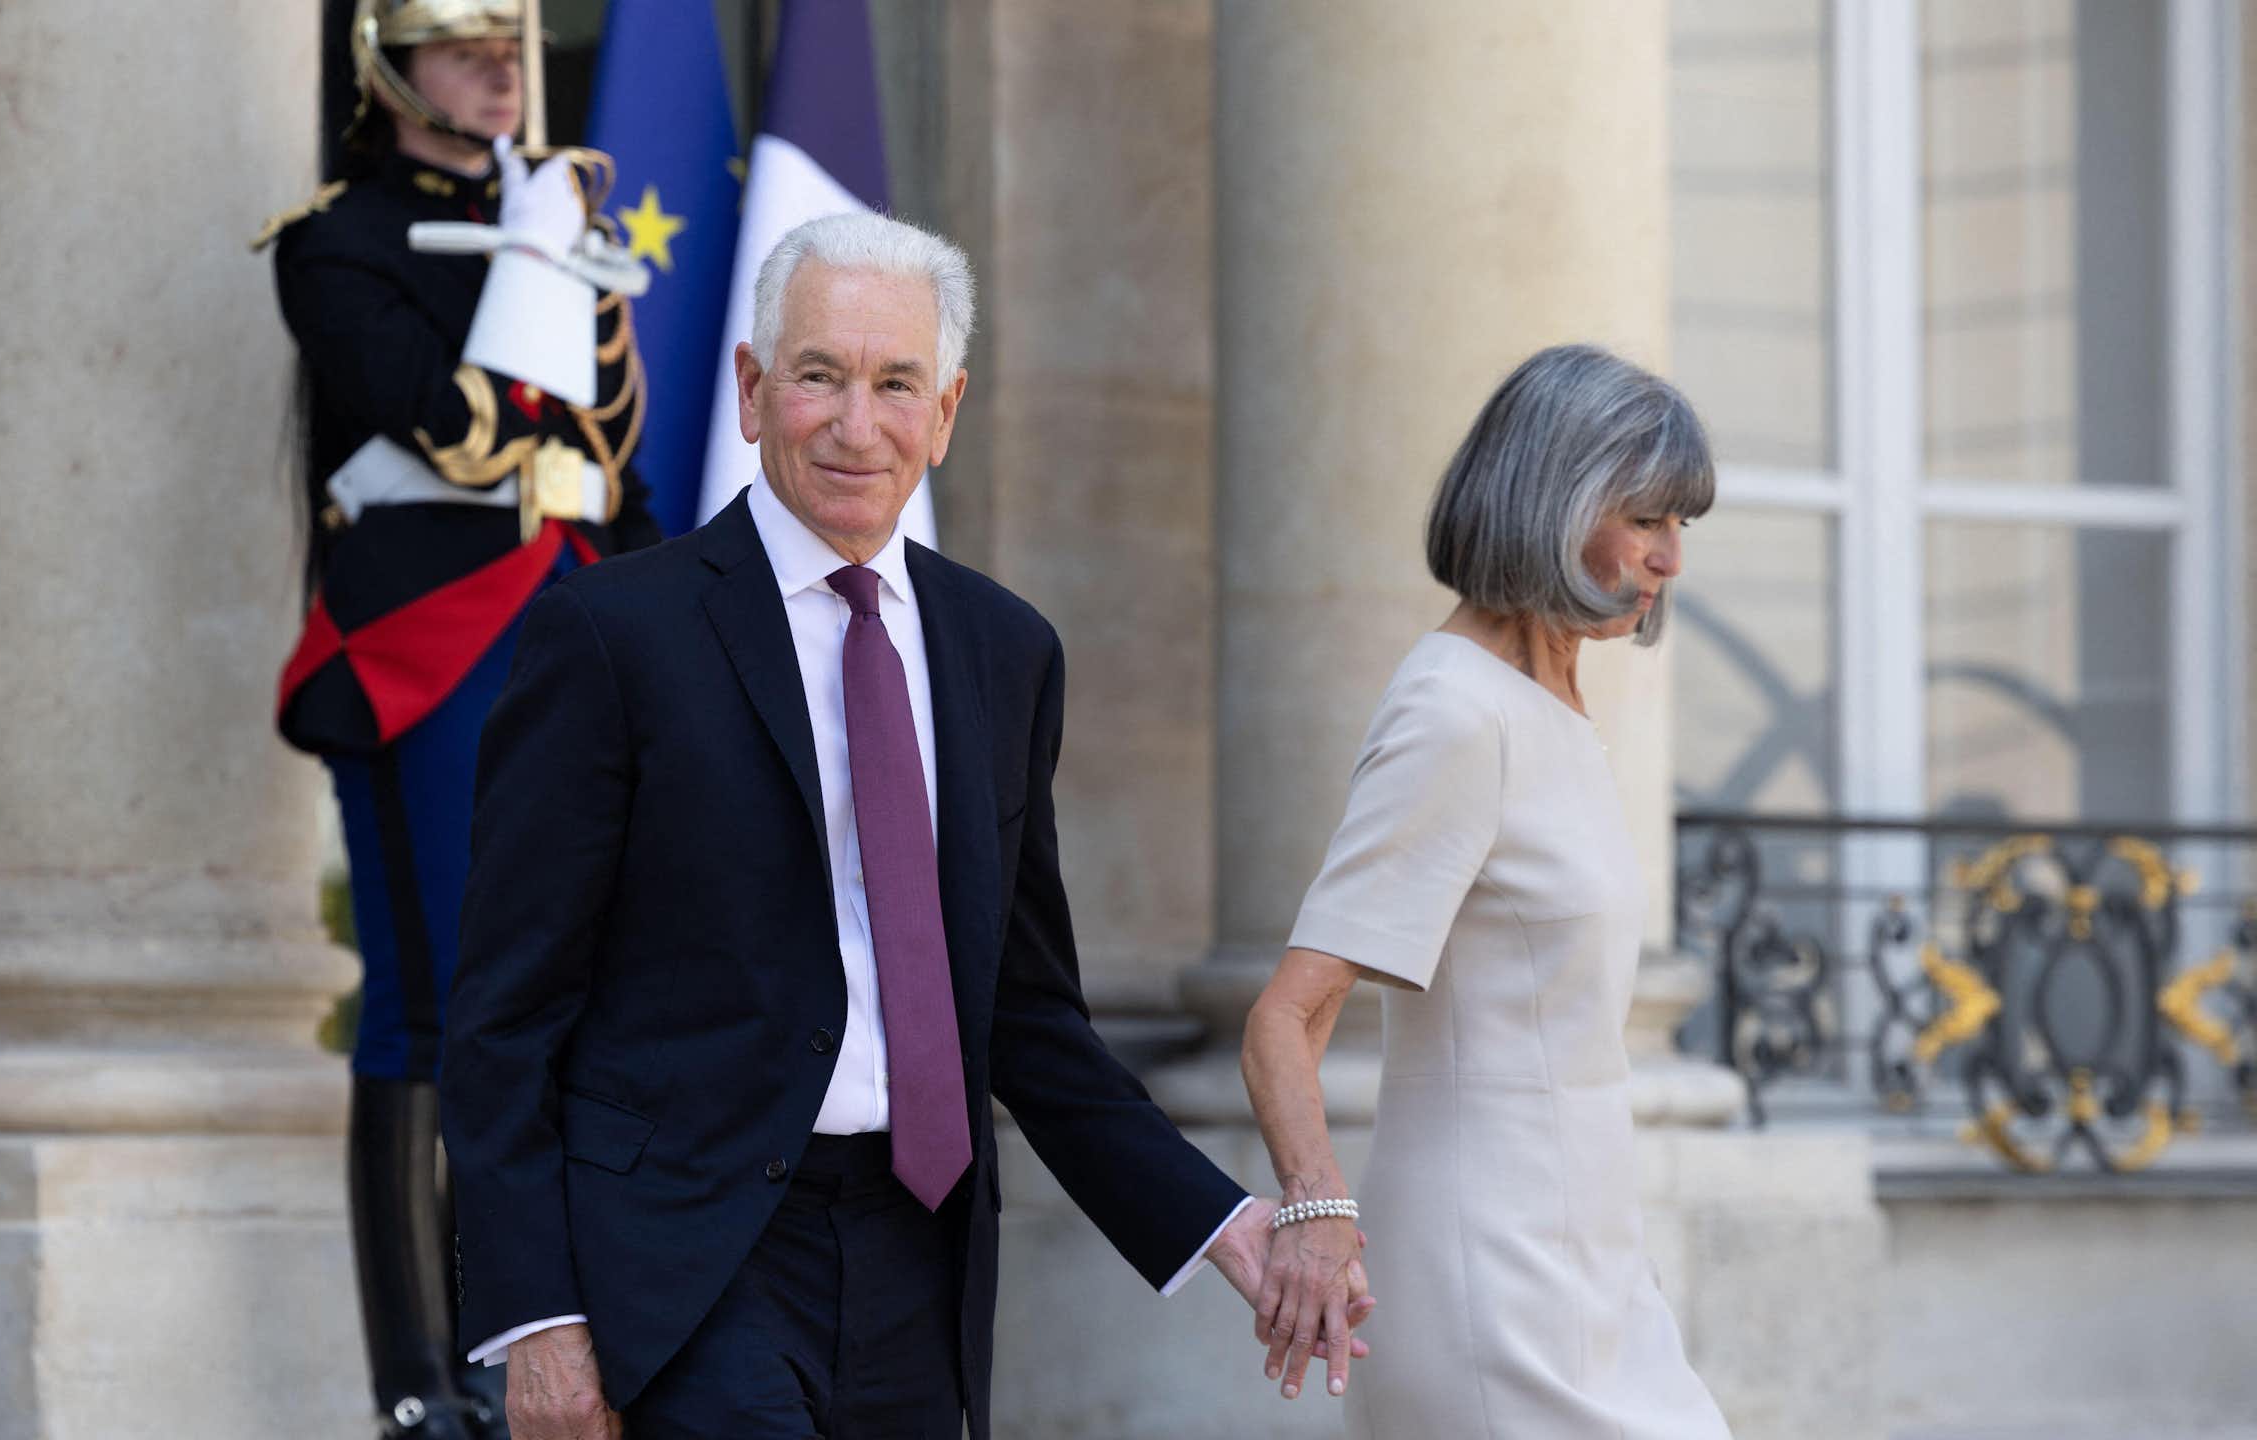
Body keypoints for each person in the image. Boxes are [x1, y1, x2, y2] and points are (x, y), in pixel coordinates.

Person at [442, 212, 1370, 1440]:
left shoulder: (1004, 650)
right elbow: (507, 1012)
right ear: (752, 389)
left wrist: (1223, 1225)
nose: (854, 422)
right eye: (818, 375)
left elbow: (1026, 1019)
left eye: (896, 384)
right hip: (684, 1261)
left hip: (917, 1266)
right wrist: (537, 1317)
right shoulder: (614, 637)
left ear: (946, 411)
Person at [253, 3, 659, 1435]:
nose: (501, 68)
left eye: (512, 43)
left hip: (580, 621)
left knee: (599, 998)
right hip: (430, 645)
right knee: (434, 1008)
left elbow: (608, 456)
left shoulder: (553, 216)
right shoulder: (340, 238)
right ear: (386, 63)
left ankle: (579, 1347)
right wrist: (543, 267)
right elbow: (445, 422)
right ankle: (425, 1381)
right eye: (463, 43)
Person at [1240, 344, 1734, 1436]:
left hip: (1592, 1263)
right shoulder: (1455, 712)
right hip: (1491, 1277)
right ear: (1554, 504)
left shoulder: (1546, 706)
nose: (1668, 560)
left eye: (1679, 525)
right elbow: (1285, 1014)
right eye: (1645, 517)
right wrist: (1317, 1215)